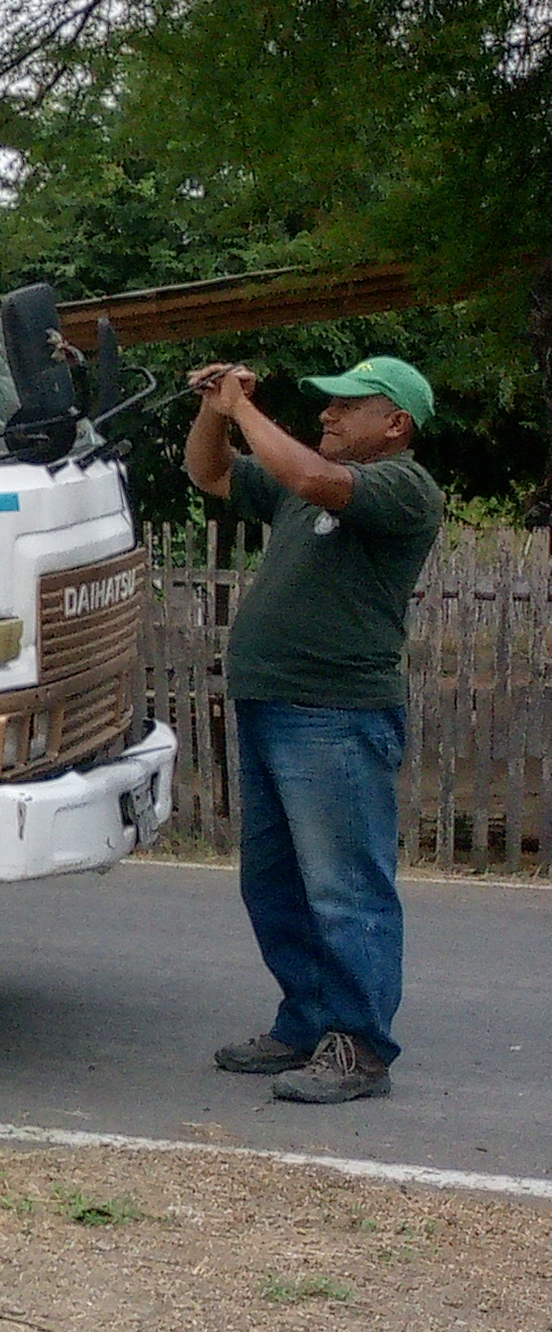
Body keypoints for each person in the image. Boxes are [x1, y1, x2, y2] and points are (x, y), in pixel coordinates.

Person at [182, 354, 444, 1104]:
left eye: (348, 406)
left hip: (337, 712)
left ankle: (359, 1047)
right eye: (328, 404)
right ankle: (306, 1023)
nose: (328, 414)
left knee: (345, 887)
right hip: (273, 702)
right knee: (276, 884)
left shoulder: (402, 487)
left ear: (395, 425)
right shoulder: (306, 481)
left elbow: (309, 477)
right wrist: (213, 410)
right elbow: (210, 473)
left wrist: (244, 409)